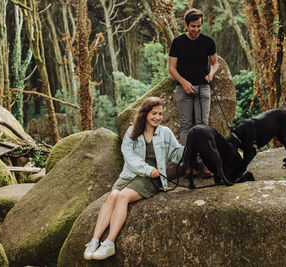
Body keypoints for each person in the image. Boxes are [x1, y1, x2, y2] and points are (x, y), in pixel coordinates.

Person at [83, 96, 184, 260]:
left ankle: (109, 244)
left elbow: (177, 153)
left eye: (160, 114)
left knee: (123, 196)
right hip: (130, 174)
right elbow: (129, 156)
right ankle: (94, 241)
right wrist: (146, 168)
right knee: (113, 196)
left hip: (152, 178)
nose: (158, 117)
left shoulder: (165, 133)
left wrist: (193, 147)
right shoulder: (132, 131)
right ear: (145, 113)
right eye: (154, 113)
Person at [168, 8, 219, 178]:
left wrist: (211, 74)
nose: (196, 29)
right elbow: (171, 68)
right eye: (193, 26)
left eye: (199, 26)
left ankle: (204, 163)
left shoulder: (208, 41)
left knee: (202, 126)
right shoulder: (178, 42)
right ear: (186, 25)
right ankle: (188, 163)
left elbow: (215, 63)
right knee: (186, 126)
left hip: (203, 87)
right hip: (184, 88)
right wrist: (183, 82)